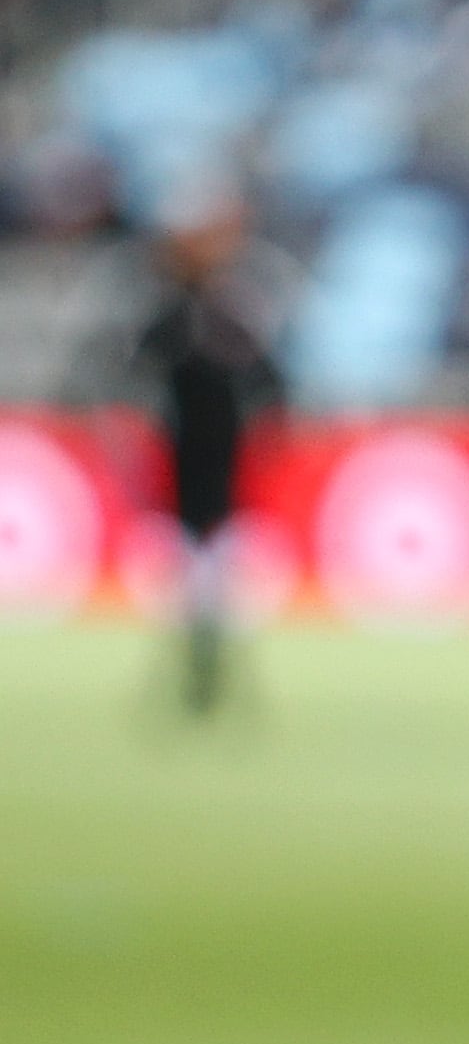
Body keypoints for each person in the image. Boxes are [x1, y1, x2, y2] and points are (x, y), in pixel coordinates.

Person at [132, 189, 285, 716]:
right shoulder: (176, 317)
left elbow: (272, 384)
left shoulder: (229, 315)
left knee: (216, 584)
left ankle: (206, 678)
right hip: (182, 471)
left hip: (219, 471)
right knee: (189, 586)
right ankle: (201, 678)